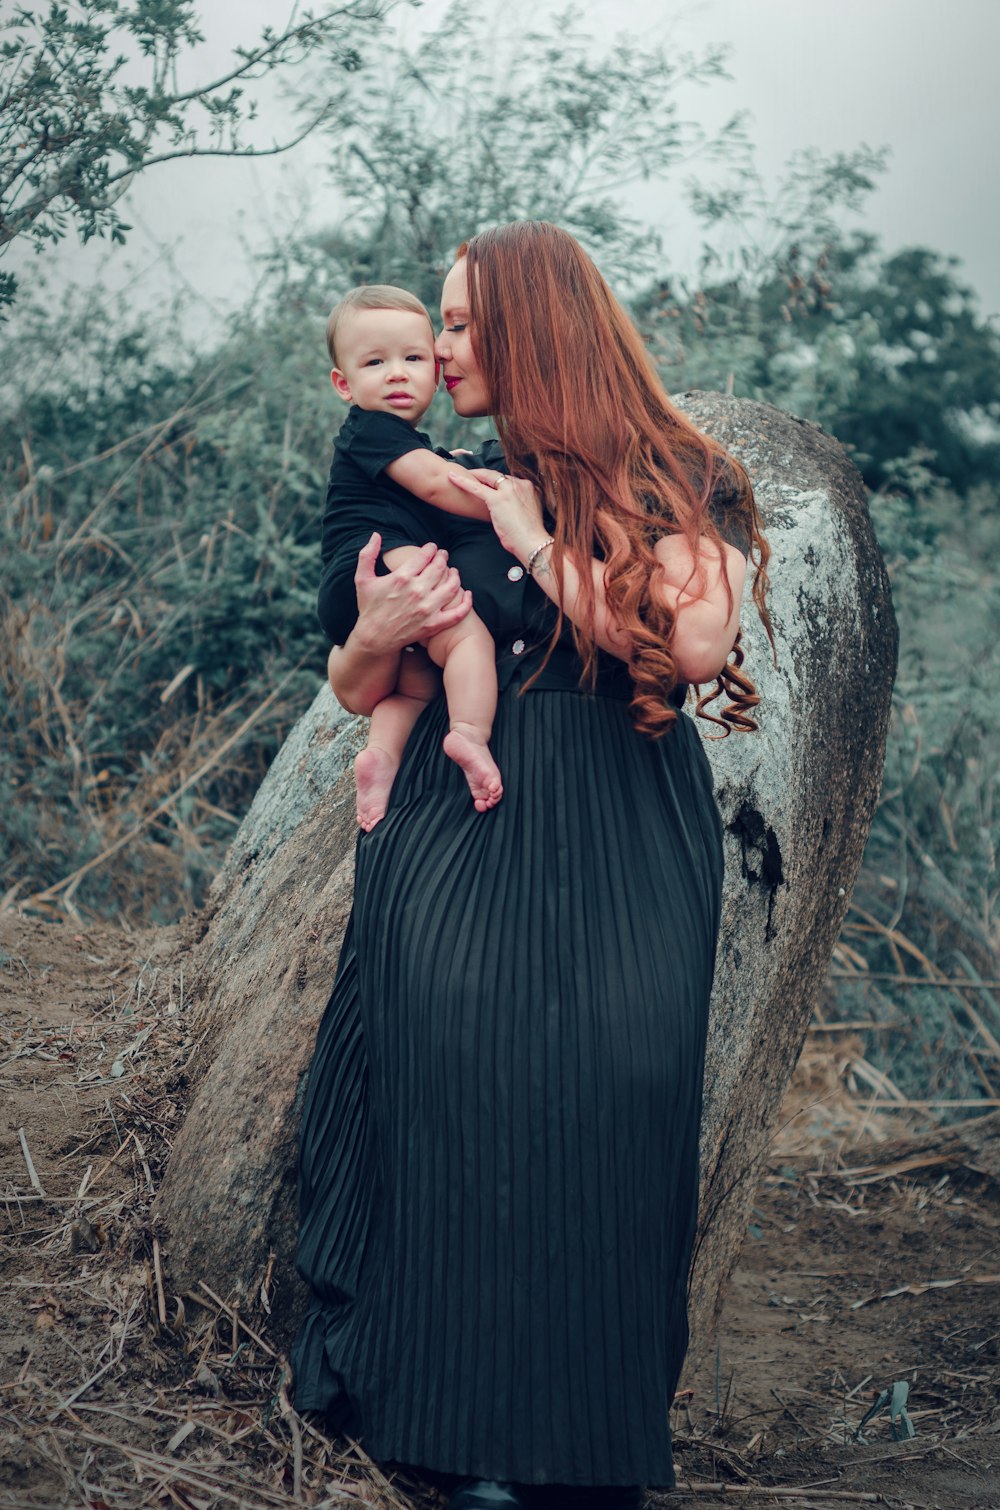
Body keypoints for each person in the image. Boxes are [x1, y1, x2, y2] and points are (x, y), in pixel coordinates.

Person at [294, 222, 771, 1509]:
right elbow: (361, 677)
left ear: (532, 327)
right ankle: (453, 1439)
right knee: (456, 1087)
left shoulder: (683, 476)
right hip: (467, 810)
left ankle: (587, 1449)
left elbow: (694, 648)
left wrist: (528, 525)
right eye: (435, 327)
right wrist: (373, 636)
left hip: (621, 817)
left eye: (457, 324)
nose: (438, 351)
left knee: (616, 1098)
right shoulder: (430, 474)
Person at [323, 285, 503, 829]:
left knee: (417, 684)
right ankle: (470, 735)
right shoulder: (371, 430)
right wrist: (510, 502)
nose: (397, 373)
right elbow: (434, 485)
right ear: (344, 384)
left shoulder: (406, 438)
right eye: (376, 362)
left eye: (413, 358)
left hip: (358, 583)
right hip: (379, 563)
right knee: (467, 637)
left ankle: (381, 758)